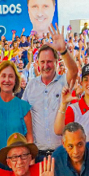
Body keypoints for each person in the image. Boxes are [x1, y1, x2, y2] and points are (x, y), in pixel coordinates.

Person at [23, 27, 79, 157]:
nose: (45, 65)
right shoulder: (31, 86)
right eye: (42, 62)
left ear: (56, 62)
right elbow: (24, 116)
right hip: (38, 154)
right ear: (37, 63)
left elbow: (74, 71)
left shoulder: (64, 81)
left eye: (49, 62)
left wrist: (63, 51)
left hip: (62, 152)